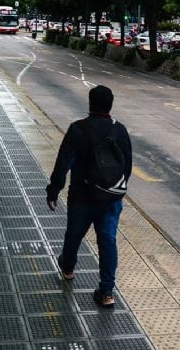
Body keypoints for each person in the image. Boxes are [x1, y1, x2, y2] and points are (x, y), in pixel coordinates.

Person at [46, 85, 132, 307]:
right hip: (110, 199)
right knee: (107, 241)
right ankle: (106, 292)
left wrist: (54, 190)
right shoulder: (120, 131)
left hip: (82, 196)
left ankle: (68, 269)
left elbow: (63, 163)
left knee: (74, 234)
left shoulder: (78, 129)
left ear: (90, 103)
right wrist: (115, 191)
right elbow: (127, 167)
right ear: (110, 104)